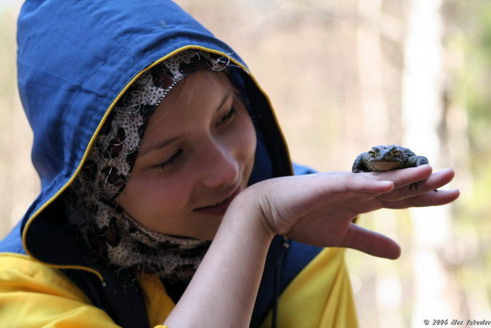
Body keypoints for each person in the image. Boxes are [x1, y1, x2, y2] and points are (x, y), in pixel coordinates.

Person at [0, 1, 459, 327]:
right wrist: (251, 221)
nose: (226, 172)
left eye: (227, 115)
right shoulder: (22, 290)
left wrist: (264, 227)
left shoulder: (304, 249)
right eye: (170, 158)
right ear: (93, 185)